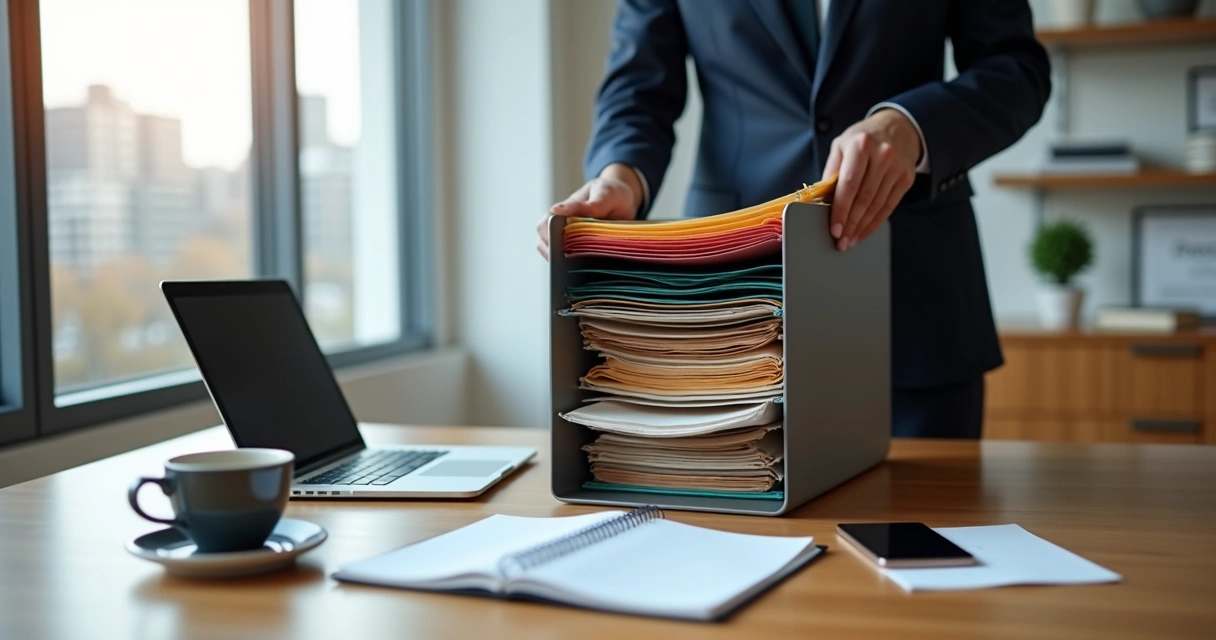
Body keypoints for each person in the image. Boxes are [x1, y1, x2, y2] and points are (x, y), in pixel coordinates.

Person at [536, 0, 1051, 438]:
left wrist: (911, 127)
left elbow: (1016, 68)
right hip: (734, 299)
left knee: (931, 522)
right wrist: (622, 177)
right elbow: (638, 88)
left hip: (916, 302)